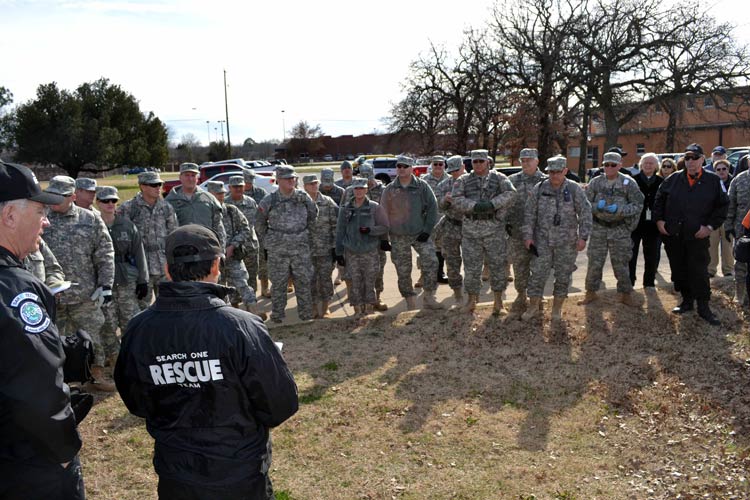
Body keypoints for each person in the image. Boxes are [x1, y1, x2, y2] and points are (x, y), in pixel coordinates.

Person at [114, 224, 298, 500]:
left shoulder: (139, 329)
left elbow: (138, 401)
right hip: (238, 472)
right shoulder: (242, 327)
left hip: (177, 473)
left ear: (167, 269)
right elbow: (279, 404)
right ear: (216, 266)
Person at [0, 161, 86, 500]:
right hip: (26, 460)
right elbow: (35, 390)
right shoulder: (15, 288)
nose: (47, 222)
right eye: (40, 211)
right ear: (9, 216)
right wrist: (63, 451)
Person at [44, 175, 116, 391]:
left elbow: (105, 252)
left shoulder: (90, 219)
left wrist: (105, 285)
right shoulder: (42, 218)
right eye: (52, 195)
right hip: (52, 296)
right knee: (56, 341)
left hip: (84, 295)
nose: (55, 200)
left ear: (73, 196)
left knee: (93, 338)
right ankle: (65, 382)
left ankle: (97, 376)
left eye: (61, 196)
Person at [653, 143, 729, 325]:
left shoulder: (713, 180)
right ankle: (687, 301)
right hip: (675, 236)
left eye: (695, 158)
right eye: (687, 158)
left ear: (703, 159)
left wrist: (710, 227)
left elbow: (723, 205)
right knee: (679, 271)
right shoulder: (672, 179)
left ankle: (704, 307)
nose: (691, 161)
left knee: (699, 272)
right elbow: (658, 200)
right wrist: (659, 221)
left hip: (698, 236)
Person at [522, 156, 592, 321]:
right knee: (537, 275)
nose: (554, 176)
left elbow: (585, 213)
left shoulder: (574, 189)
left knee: (562, 276)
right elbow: (529, 214)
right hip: (542, 242)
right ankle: (533, 307)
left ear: (565, 171)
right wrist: (528, 237)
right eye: (551, 172)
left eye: (558, 172)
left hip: (566, 243)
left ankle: (556, 310)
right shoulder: (539, 188)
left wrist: (583, 237)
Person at [452, 149, 516, 315]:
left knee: (497, 267)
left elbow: (511, 195)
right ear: (471, 163)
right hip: (471, 233)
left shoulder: (500, 178)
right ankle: (471, 301)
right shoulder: (463, 180)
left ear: (488, 162)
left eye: (481, 161)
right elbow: (456, 199)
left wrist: (493, 206)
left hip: (494, 231)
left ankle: (498, 302)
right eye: (475, 162)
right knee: (471, 269)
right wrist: (474, 206)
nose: (478, 164)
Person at [380, 155, 444, 311]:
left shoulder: (422, 186)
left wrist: (427, 230)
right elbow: (383, 213)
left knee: (431, 262)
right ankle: (410, 300)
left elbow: (432, 208)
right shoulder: (389, 189)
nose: (401, 169)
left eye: (405, 166)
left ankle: (429, 297)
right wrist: (383, 238)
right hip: (398, 235)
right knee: (403, 269)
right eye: (399, 166)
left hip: (419, 233)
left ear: (411, 168)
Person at [581, 151, 644, 306]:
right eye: (606, 164)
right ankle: (590, 293)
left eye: (613, 165)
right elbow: (585, 203)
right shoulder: (595, 182)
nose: (609, 167)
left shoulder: (628, 183)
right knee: (595, 263)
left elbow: (638, 205)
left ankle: (625, 294)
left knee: (621, 263)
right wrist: (596, 207)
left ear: (619, 166)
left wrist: (620, 209)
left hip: (619, 229)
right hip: (599, 228)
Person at [257, 165, 318, 323]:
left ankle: (306, 315)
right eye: (287, 178)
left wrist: (304, 234)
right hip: (278, 250)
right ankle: (277, 316)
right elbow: (259, 223)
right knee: (278, 284)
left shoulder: (303, 197)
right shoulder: (269, 200)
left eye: (293, 177)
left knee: (303, 281)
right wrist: (268, 241)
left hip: (300, 248)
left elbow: (313, 215)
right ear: (278, 180)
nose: (291, 180)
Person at [96, 186, 149, 367]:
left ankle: (135, 358)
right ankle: (116, 361)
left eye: (113, 201)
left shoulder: (127, 225)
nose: (110, 204)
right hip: (104, 283)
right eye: (105, 201)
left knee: (131, 321)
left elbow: (139, 253)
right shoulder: (93, 224)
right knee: (108, 324)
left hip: (127, 281)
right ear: (98, 203)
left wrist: (143, 280)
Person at [117, 171, 178, 308]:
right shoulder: (128, 208)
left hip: (164, 266)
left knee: (169, 305)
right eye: (154, 185)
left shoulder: (166, 207)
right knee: (143, 308)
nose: (158, 188)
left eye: (160, 184)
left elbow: (174, 234)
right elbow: (122, 238)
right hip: (141, 267)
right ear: (143, 187)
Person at [204, 181, 261, 315]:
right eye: (217, 194)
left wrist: (233, 245)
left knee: (243, 285)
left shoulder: (231, 210)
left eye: (222, 194)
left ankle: (254, 314)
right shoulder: (204, 214)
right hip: (213, 260)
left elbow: (245, 229)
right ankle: (226, 316)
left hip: (232, 257)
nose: (221, 197)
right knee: (218, 290)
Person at [335, 178, 389, 315]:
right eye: (356, 188)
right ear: (352, 190)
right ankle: (357, 310)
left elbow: (384, 227)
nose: (359, 191)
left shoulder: (374, 207)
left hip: (369, 251)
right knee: (354, 282)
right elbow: (340, 231)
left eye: (361, 188)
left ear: (366, 190)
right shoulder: (345, 209)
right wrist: (339, 253)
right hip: (351, 251)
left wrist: (370, 230)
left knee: (369, 281)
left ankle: (369, 309)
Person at [505, 148, 547, 319]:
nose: (525, 163)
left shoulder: (546, 181)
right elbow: (505, 204)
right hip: (517, 234)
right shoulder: (511, 181)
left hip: (540, 235)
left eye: (529, 160)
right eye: (522, 160)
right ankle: (521, 295)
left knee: (538, 268)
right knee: (520, 267)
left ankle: (536, 299)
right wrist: (506, 224)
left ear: (537, 161)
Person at [302, 174, 339, 319]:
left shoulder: (327, 202)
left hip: (325, 248)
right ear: (304, 186)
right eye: (310, 184)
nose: (313, 186)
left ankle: (325, 306)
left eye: (315, 183)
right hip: (307, 249)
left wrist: (336, 246)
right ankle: (313, 306)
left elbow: (335, 225)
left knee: (325, 279)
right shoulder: (300, 202)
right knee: (310, 279)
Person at [165, 162, 226, 247]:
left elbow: (218, 228)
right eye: (187, 175)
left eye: (193, 175)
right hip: (181, 252)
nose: (190, 179)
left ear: (197, 178)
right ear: (180, 177)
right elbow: (165, 231)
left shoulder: (210, 199)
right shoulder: (170, 201)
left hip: (207, 250)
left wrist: (221, 252)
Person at [629, 153, 664, 289]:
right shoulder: (633, 180)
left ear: (656, 166)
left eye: (651, 163)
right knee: (631, 255)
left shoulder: (662, 182)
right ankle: (630, 282)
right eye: (645, 163)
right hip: (635, 224)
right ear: (641, 165)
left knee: (652, 255)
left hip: (653, 225)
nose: (648, 165)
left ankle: (649, 282)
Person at [435, 155, 466, 303]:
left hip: (471, 227)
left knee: (473, 262)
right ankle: (458, 293)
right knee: (452, 262)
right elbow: (439, 206)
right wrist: (445, 201)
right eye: (452, 170)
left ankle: (473, 294)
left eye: (457, 170)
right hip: (451, 226)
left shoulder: (473, 182)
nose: (455, 173)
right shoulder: (444, 185)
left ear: (463, 167)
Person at [226, 175, 261, 291]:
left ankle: (250, 307)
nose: (238, 189)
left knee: (251, 278)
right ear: (229, 187)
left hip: (250, 246)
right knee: (233, 280)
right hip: (232, 249)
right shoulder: (224, 204)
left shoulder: (251, 202)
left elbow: (256, 223)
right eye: (235, 187)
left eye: (240, 186)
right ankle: (235, 306)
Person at [421, 155, 450, 284]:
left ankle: (440, 273)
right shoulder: (424, 180)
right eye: (435, 164)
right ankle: (423, 275)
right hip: (428, 220)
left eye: (440, 164)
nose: (438, 166)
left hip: (445, 219)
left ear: (444, 165)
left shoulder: (450, 180)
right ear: (431, 165)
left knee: (441, 247)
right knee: (424, 247)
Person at [724, 157, 750, 304]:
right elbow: (730, 205)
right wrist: (728, 227)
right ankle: (739, 295)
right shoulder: (739, 180)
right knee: (740, 264)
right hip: (742, 230)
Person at [243, 170, 270, 297]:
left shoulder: (261, 193)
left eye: (250, 180)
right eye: (246, 180)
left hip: (259, 232)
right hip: (243, 234)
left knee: (263, 262)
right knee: (247, 264)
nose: (248, 183)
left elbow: (267, 211)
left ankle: (265, 288)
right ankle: (247, 291)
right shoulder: (236, 192)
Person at [707, 159, 734, 277]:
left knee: (727, 246)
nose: (721, 171)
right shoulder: (710, 183)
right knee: (711, 245)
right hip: (713, 219)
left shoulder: (734, 182)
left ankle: (728, 270)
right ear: (715, 171)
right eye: (718, 169)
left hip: (728, 219)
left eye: (724, 169)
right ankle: (710, 270)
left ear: (728, 170)